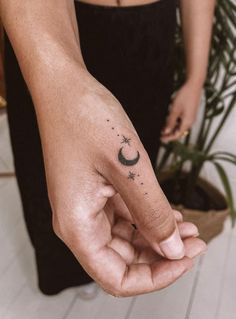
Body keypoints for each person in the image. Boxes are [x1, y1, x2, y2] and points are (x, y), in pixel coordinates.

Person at [0, 0, 215, 297]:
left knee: (123, 200)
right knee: (45, 181)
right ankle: (64, 274)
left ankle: (97, 264)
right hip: (47, 23)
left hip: (147, 40)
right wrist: (57, 76)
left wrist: (195, 79)